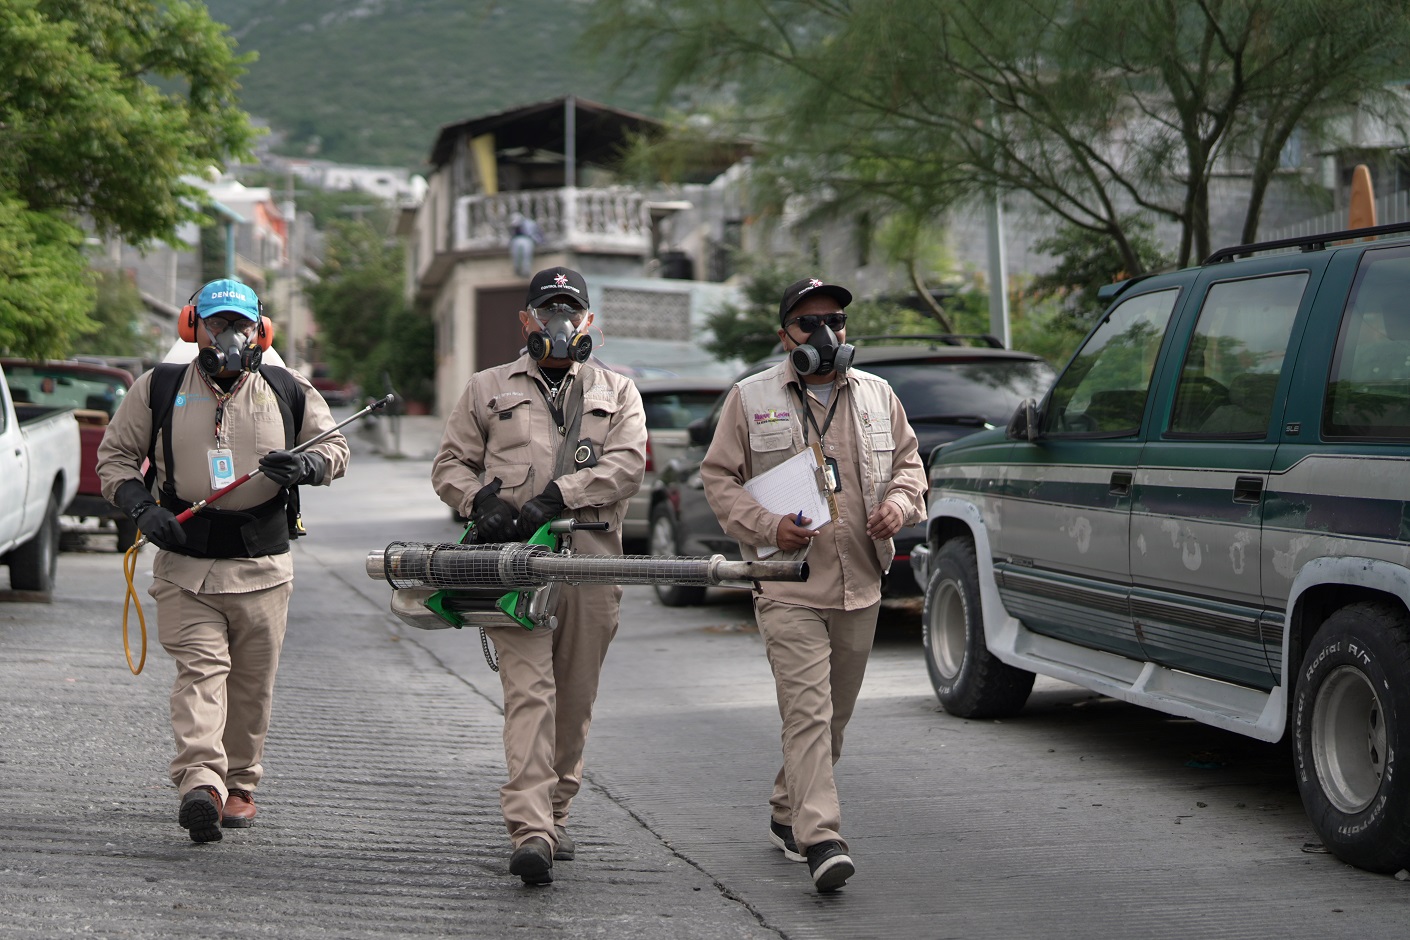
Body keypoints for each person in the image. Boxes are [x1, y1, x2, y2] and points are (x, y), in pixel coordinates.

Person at [96, 278, 349, 843]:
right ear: (194, 328)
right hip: (185, 568)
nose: (229, 336)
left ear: (261, 332)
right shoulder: (158, 388)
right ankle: (201, 784)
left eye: (240, 325)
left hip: (262, 570)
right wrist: (141, 508)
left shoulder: (289, 389)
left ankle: (239, 783)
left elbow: (335, 449)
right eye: (217, 324)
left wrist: (305, 467)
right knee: (200, 673)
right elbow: (114, 458)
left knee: (251, 688)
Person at [699, 276, 926, 893]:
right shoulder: (749, 399)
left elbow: (910, 465)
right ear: (786, 337)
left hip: (862, 584)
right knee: (808, 713)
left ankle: (786, 807)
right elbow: (718, 479)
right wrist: (767, 525)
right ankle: (821, 837)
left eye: (836, 321)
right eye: (810, 323)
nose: (826, 333)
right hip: (787, 584)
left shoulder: (879, 395)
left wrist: (899, 506)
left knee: (833, 722)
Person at [431, 266, 647, 885]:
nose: (558, 321)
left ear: (588, 321)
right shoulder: (486, 387)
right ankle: (530, 830)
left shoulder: (618, 391)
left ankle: (555, 810)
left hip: (589, 564)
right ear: (526, 320)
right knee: (529, 693)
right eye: (547, 310)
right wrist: (479, 501)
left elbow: (628, 465)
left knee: (574, 699)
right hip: (512, 566)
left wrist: (559, 497)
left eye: (569, 310)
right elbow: (449, 465)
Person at [509, 212, 545, 278]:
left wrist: (539, 242)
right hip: (519, 240)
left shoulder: (530, 224)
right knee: (516, 253)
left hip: (529, 240)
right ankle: (517, 269)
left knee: (526, 253)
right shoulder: (515, 229)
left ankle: (526, 271)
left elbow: (537, 235)